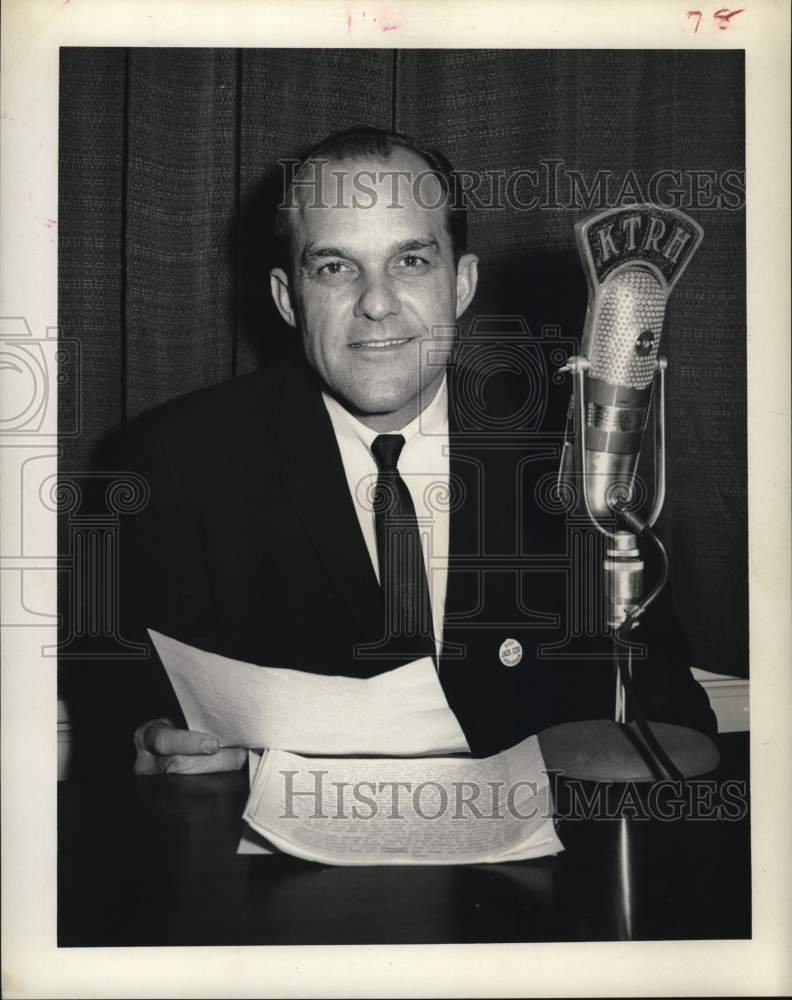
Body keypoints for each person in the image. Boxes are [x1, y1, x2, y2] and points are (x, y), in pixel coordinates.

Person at [115, 126, 715, 776]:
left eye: (411, 261)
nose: (375, 303)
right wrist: (151, 747)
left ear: (460, 284)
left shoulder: (577, 463)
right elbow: (141, 716)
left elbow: (670, 720)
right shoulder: (178, 463)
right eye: (334, 267)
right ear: (289, 299)